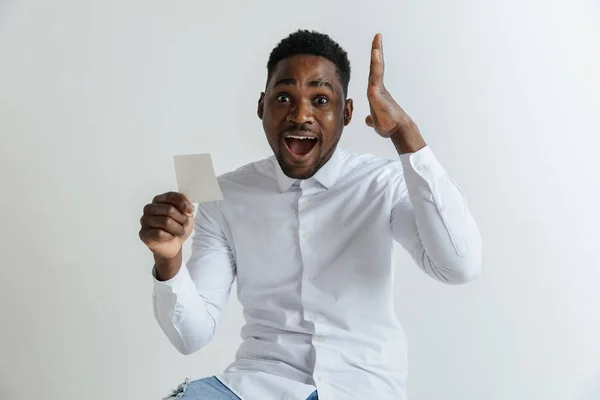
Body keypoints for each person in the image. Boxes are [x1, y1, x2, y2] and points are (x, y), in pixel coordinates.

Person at [139, 30, 482, 400]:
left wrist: (404, 132)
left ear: (347, 113)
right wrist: (168, 258)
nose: (300, 115)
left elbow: (458, 266)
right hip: (258, 385)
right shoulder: (226, 197)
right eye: (284, 97)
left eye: (321, 99)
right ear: (261, 106)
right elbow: (191, 335)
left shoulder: (381, 183)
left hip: (361, 386)